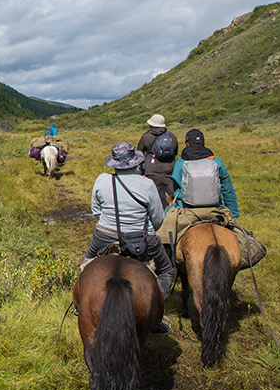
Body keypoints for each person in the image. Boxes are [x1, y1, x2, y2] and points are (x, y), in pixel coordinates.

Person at [83, 142, 176, 326]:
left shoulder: (102, 180)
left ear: (114, 163)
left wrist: (111, 224)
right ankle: (156, 316)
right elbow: (157, 218)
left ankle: (80, 306)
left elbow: (95, 211)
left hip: (105, 235)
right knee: (166, 270)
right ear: (135, 163)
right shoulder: (147, 184)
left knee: (87, 264)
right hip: (142, 238)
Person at [171, 128, 239, 217]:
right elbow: (228, 190)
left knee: (164, 225)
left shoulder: (180, 163)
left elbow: (175, 189)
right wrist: (234, 213)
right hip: (215, 208)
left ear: (187, 144)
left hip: (186, 209)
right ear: (204, 143)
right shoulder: (216, 162)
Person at [137, 114, 178, 208]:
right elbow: (175, 152)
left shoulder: (146, 137)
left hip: (151, 172)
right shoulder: (172, 137)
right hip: (169, 172)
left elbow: (139, 153)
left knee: (152, 199)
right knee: (170, 201)